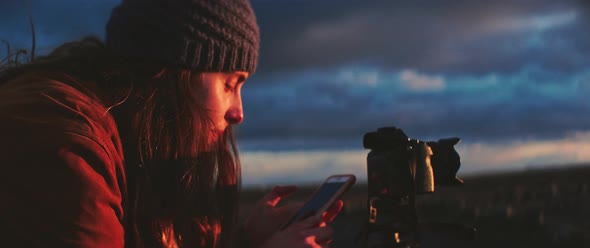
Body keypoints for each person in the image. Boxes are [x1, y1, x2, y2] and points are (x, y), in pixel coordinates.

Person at [0, 0, 343, 247]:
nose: (239, 112)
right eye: (229, 83)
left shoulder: (130, 142)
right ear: (173, 73)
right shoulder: (67, 149)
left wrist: (247, 242)